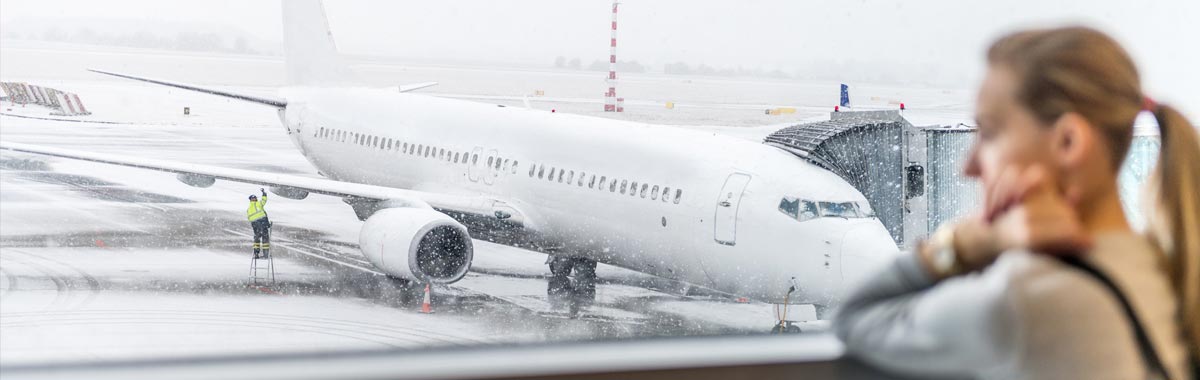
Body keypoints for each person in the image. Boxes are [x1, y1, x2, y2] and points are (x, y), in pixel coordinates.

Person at [833, 26, 1198, 380]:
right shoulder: (1162, 265)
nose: (969, 165)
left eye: (989, 132)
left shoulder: (1029, 298)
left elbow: (855, 316)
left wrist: (966, 243)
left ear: (1068, 142)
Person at [247, 188, 270, 259]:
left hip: (255, 224)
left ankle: (256, 253)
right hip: (261, 223)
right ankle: (265, 253)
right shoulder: (258, 204)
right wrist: (264, 194)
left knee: (257, 238)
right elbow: (264, 200)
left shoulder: (249, 208)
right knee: (265, 238)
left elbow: (249, 218)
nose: (254, 199)